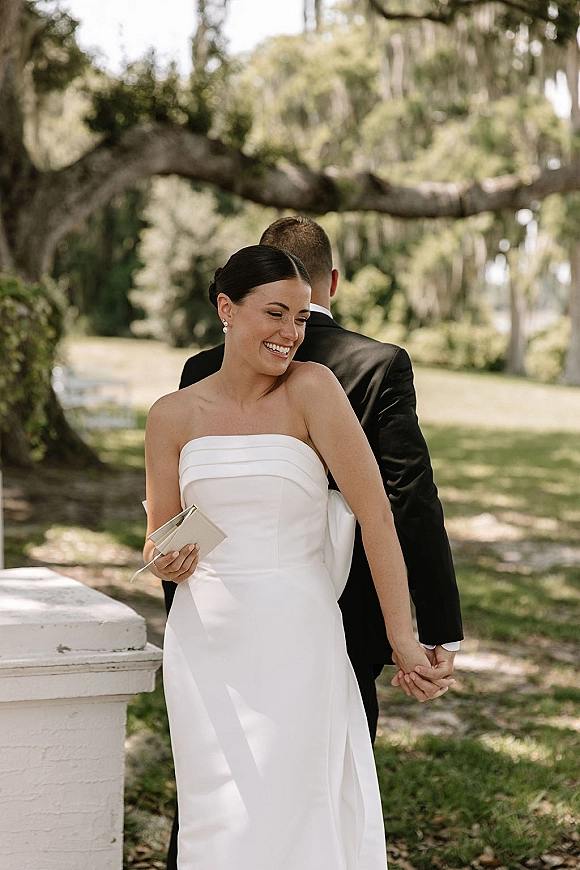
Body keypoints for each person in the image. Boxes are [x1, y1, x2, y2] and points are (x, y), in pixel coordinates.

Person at [144, 244, 453, 870]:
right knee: (219, 827)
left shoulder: (313, 389)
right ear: (227, 309)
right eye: (276, 314)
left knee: (298, 815)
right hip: (204, 650)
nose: (291, 334)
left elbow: (378, 518)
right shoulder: (171, 416)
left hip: (299, 638)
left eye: (303, 318)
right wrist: (164, 556)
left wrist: (405, 638)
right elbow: (160, 534)